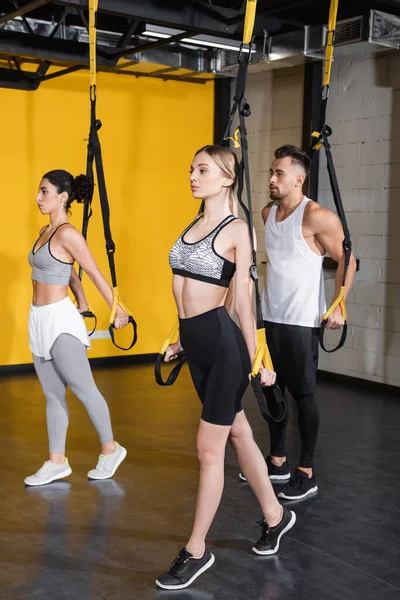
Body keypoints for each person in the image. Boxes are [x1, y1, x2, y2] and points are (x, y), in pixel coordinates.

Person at [156, 145, 296, 591]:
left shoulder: (236, 229)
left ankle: (196, 550)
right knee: (238, 434)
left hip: (223, 349)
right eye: (191, 168)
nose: (193, 176)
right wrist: (181, 337)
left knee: (208, 450)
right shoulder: (193, 224)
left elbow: (241, 299)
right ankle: (276, 515)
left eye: (203, 170)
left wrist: (261, 354)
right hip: (196, 345)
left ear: (227, 178)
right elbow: (188, 290)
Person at [259, 144, 356, 500]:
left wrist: (339, 305)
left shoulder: (316, 216)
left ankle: (307, 470)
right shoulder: (268, 213)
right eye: (271, 172)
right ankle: (278, 461)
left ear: (298, 179)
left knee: (302, 395)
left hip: (302, 320)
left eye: (279, 173)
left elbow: (348, 258)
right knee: (271, 391)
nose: (271, 178)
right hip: (269, 316)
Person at [25, 169, 128, 487]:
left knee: (84, 389)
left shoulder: (68, 233)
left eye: (44, 192)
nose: (38, 197)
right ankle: (57, 461)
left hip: (60, 321)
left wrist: (117, 307)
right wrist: (82, 299)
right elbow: (68, 272)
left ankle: (110, 449)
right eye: (39, 191)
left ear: (62, 196)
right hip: (38, 318)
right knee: (53, 395)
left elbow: (94, 271)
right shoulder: (45, 230)